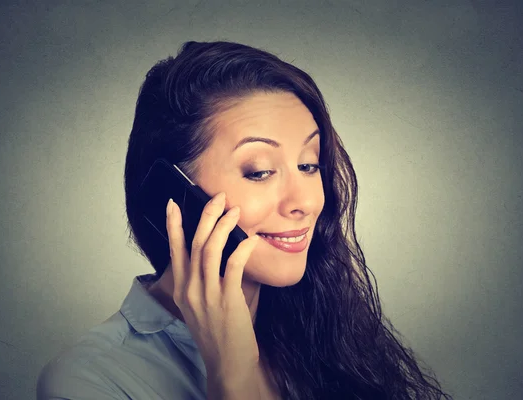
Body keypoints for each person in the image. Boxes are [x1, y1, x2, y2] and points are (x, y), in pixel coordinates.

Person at [36, 41, 453, 400]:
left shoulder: (319, 331)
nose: (305, 202)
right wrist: (231, 379)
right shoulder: (90, 380)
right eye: (259, 171)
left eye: (309, 165)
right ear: (175, 192)